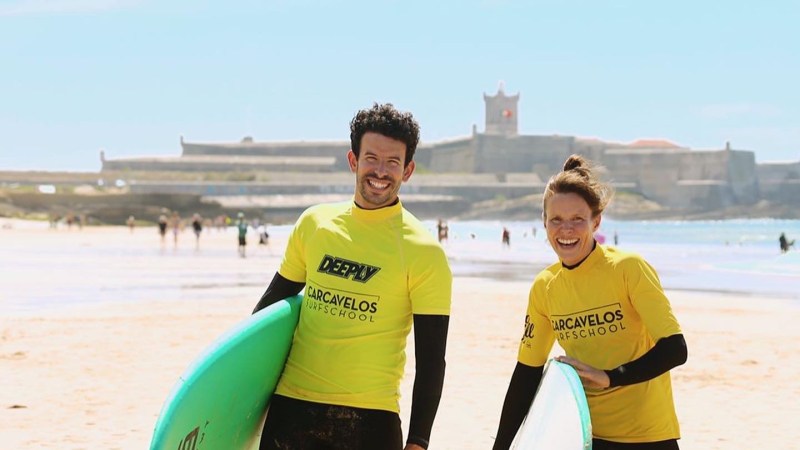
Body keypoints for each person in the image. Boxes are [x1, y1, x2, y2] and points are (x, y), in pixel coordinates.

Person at [253, 103, 452, 450]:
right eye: (371, 158)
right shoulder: (315, 225)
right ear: (353, 161)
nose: (381, 171)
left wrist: (419, 441)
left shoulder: (424, 252)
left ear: (408, 171)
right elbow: (269, 309)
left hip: (370, 420)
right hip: (291, 410)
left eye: (393, 162)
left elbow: (432, 359)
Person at [493, 154, 687, 450]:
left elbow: (675, 349)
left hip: (649, 438)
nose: (566, 230)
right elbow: (527, 373)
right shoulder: (545, 286)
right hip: (585, 437)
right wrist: (501, 447)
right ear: (544, 223)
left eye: (577, 220)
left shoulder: (628, 269)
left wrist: (610, 377)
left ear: (596, 221)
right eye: (556, 220)